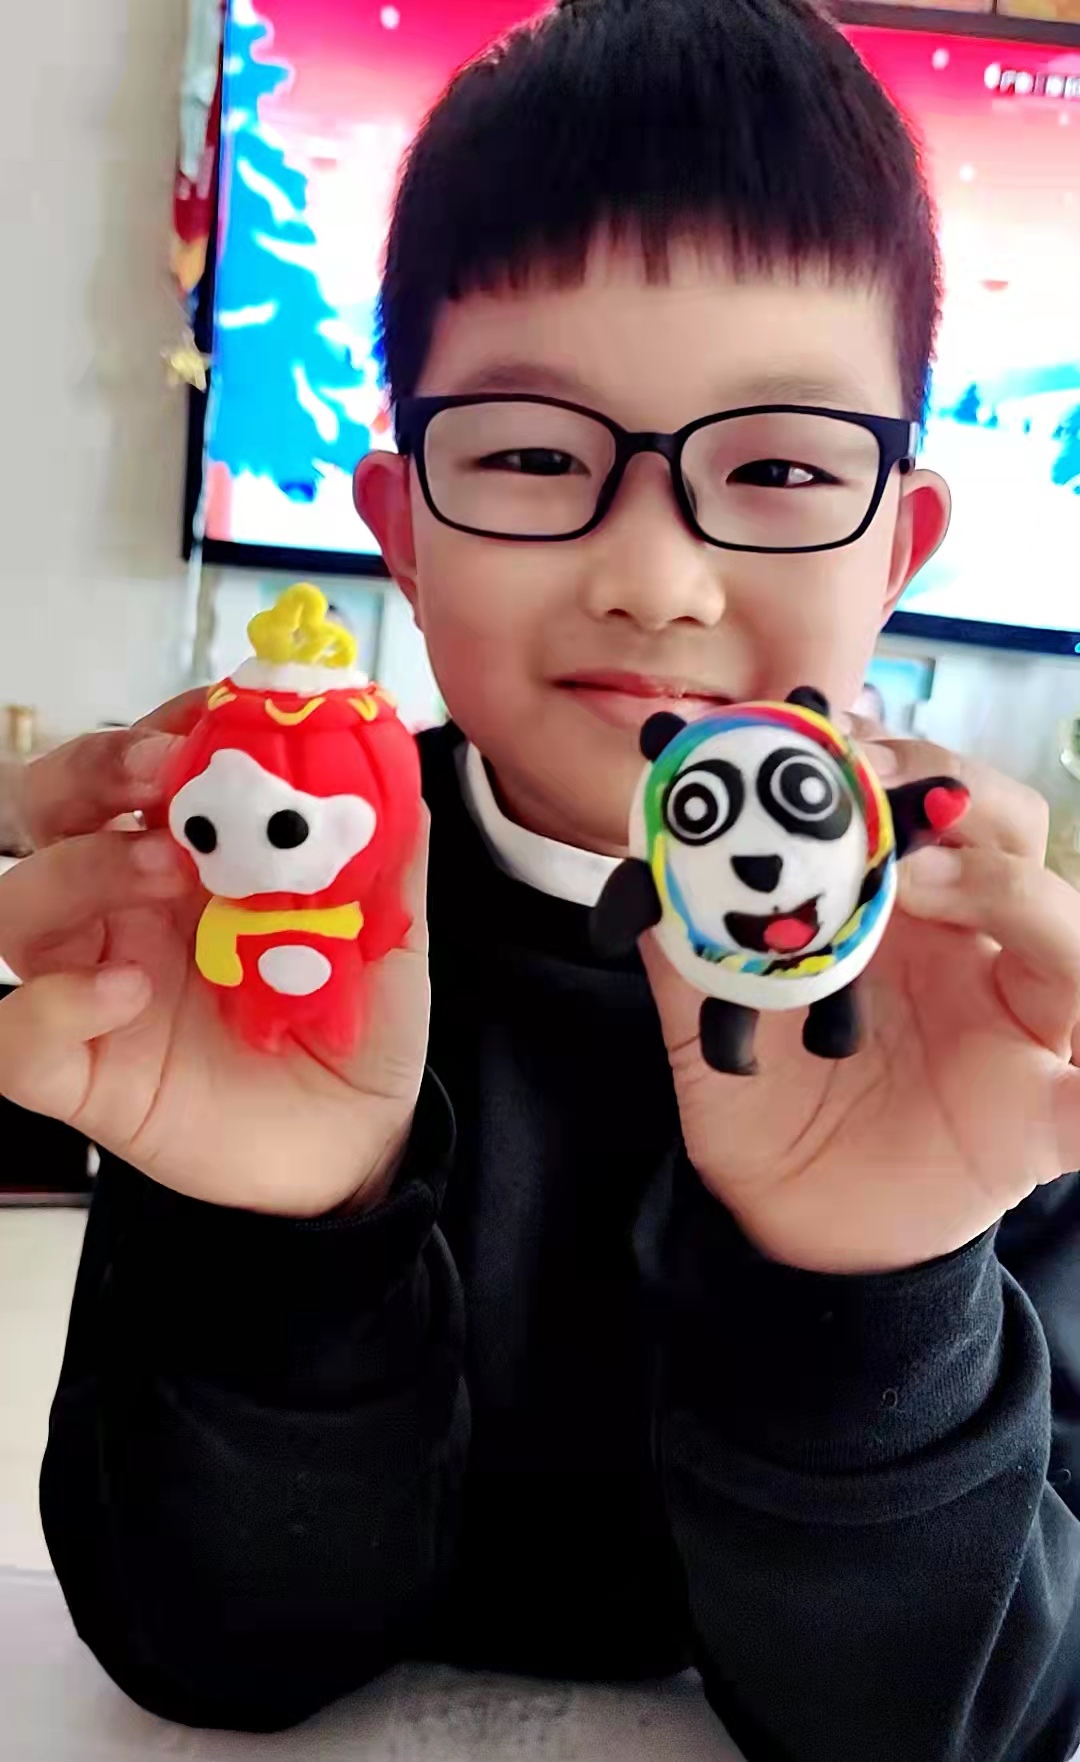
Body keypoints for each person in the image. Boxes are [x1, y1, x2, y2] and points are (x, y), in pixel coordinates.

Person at [2, 0, 1080, 1755]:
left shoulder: (984, 994)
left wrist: (876, 1291)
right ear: (402, 533)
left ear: (899, 543)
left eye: (781, 467)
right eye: (527, 453)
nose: (655, 576)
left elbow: (972, 1724)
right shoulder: (269, 920)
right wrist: (296, 1238)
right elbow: (197, 1660)